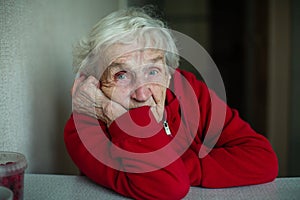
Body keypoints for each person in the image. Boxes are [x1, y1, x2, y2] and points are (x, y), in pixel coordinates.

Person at [64, 7, 278, 200]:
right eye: (121, 75)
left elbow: (263, 160)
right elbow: (167, 188)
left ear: (169, 75)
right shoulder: (84, 127)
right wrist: (112, 112)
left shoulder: (188, 90)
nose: (142, 92)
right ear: (94, 82)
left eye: (153, 71)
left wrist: (181, 168)